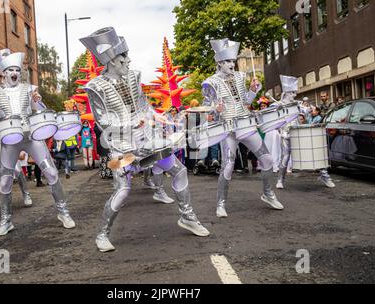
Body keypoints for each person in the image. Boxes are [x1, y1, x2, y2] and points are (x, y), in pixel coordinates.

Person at [80, 27, 209, 252]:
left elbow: (143, 106)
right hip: (119, 149)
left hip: (146, 138)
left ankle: (187, 216)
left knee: (179, 170)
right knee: (122, 189)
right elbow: (103, 124)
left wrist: (158, 116)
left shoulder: (133, 76)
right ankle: (102, 234)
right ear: (110, 61)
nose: (129, 61)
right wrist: (131, 124)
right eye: (123, 58)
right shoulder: (95, 88)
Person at [0, 49, 75, 236]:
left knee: (52, 173)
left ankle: (64, 212)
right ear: (3, 73)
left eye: (17, 70)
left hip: (30, 137)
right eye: (10, 70)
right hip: (9, 140)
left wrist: (37, 101)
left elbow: (41, 110)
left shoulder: (30, 89)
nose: (14, 73)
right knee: (4, 182)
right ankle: (6, 221)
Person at [201, 38, 284, 218]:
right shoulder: (210, 83)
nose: (232, 64)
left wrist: (254, 91)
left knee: (268, 159)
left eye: (233, 61)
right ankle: (221, 203)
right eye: (228, 61)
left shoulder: (240, 77)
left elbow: (245, 102)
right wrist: (216, 110)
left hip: (245, 124)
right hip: (227, 128)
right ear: (219, 63)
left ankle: (268, 193)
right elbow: (206, 110)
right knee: (228, 166)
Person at [276, 75, 335, 189]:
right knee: (285, 157)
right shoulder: (278, 105)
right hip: (285, 134)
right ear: (286, 93)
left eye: (294, 92)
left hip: (298, 134)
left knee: (313, 152)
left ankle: (325, 176)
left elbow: (310, 109)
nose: (294, 95)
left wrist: (308, 108)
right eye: (292, 92)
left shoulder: (298, 104)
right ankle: (280, 180)